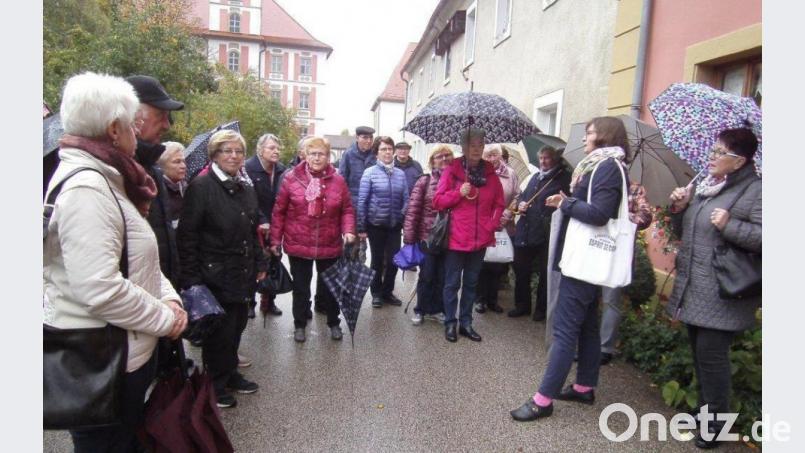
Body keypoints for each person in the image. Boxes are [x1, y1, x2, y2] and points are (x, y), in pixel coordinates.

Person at [44, 72, 187, 452]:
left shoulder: (112, 177)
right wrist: (165, 318)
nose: (136, 133)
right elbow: (99, 287)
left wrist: (169, 297)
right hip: (103, 364)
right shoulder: (88, 187)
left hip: (121, 354)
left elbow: (140, 260)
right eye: (130, 124)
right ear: (112, 130)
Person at [510, 116, 631, 421]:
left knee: (564, 331)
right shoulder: (606, 165)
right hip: (586, 263)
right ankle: (583, 386)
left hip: (584, 263)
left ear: (603, 136)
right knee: (588, 326)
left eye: (589, 133)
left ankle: (542, 400)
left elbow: (600, 214)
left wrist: (566, 203)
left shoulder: (605, 167)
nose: (584, 139)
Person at [666, 128, 761, 448]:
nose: (712, 157)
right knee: (699, 354)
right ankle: (706, 413)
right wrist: (679, 209)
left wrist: (730, 225)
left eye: (720, 153)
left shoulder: (756, 190)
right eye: (713, 150)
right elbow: (688, 233)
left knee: (712, 359)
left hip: (723, 291)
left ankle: (717, 425)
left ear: (739, 161)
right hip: (695, 287)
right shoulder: (707, 187)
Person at [177, 130, 266, 409]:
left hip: (242, 270)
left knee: (237, 325)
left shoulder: (244, 187)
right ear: (214, 155)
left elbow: (252, 229)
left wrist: (260, 262)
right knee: (220, 332)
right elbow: (187, 237)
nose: (234, 156)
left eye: (238, 151)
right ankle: (214, 384)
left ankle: (230, 373)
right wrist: (191, 279)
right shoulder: (201, 187)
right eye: (227, 151)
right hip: (213, 273)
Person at [270, 137, 356, 343]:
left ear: (328, 157)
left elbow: (347, 210)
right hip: (298, 242)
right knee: (301, 287)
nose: (317, 158)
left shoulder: (338, 180)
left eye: (322, 154)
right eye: (313, 153)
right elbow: (279, 211)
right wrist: (275, 240)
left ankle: (334, 322)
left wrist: (349, 230)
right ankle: (299, 324)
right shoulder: (291, 178)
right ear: (305, 155)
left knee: (330, 287)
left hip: (330, 242)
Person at [433, 128, 504, 343]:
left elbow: (499, 203)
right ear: (463, 147)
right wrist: (458, 193)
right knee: (452, 283)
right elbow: (438, 201)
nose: (477, 149)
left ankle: (466, 322)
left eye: (480, 145)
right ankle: (450, 323)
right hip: (456, 237)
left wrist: (490, 225)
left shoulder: (490, 173)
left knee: (472, 283)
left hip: (480, 239)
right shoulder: (452, 171)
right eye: (472, 145)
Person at [125, 75, 185, 289]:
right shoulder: (113, 172)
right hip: (133, 308)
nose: (167, 125)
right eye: (160, 115)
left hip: (159, 296)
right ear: (131, 115)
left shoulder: (153, 171)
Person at [509, 146, 571, 320]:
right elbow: (523, 196)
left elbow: (566, 203)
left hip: (547, 232)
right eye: (541, 158)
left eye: (547, 158)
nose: (543, 161)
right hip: (526, 230)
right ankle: (522, 306)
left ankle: (541, 310)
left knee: (545, 273)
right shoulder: (535, 177)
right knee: (521, 270)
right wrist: (520, 204)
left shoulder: (563, 179)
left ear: (556, 160)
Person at [599, 180, 653, 364]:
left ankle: (605, 347)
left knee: (610, 300)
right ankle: (586, 344)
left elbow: (645, 217)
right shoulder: (603, 182)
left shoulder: (636, 189)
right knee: (588, 297)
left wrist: (623, 217)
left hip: (619, 251)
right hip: (596, 246)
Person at [403, 144, 455, 325]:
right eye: (439, 156)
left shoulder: (458, 181)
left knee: (443, 276)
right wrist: (409, 238)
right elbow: (413, 211)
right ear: (432, 161)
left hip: (451, 237)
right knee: (427, 275)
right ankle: (421, 309)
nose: (444, 159)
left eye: (447, 155)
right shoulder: (424, 181)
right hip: (428, 236)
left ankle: (437, 309)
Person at [357, 136, 409, 308]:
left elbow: (406, 199)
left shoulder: (400, 174)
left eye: (389, 149)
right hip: (375, 225)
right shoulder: (369, 173)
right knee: (377, 261)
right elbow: (362, 201)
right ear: (377, 152)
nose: (387, 152)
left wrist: (401, 217)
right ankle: (376, 293)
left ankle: (388, 292)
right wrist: (361, 227)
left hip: (394, 225)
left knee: (394, 260)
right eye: (383, 149)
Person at [244, 133, 286, 317]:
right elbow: (248, 197)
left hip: (276, 224)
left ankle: (268, 302)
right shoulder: (248, 168)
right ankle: (250, 302)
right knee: (255, 262)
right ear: (260, 150)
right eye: (271, 148)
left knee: (274, 261)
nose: (275, 151)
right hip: (255, 223)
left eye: (277, 148)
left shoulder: (282, 170)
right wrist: (261, 220)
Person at [475, 143, 520, 314]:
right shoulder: (477, 173)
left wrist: (507, 214)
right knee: (482, 263)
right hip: (482, 224)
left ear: (500, 156)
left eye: (495, 155)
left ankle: (493, 300)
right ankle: (479, 299)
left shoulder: (511, 174)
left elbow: (517, 195)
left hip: (503, 224)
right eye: (488, 155)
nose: (491, 159)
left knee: (497, 264)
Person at [338, 126, 376, 208]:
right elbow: (342, 178)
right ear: (357, 138)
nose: (369, 141)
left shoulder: (375, 154)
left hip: (372, 201)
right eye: (365, 138)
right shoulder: (348, 154)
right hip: (354, 202)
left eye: (371, 138)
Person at [156, 141, 187, 230]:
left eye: (183, 161)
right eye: (177, 162)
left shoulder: (186, 187)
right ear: (162, 165)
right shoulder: (157, 191)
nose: (183, 166)